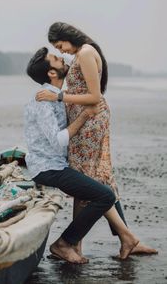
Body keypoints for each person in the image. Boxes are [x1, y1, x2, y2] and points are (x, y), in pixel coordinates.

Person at [36, 22, 157, 256]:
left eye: (60, 45)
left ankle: (73, 243)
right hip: (87, 122)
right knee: (100, 179)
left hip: (90, 123)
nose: (62, 51)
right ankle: (125, 239)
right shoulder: (81, 54)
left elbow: (94, 96)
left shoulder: (87, 52)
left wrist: (59, 97)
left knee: (86, 181)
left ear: (67, 37)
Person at [25, 47, 139, 264]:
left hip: (56, 165)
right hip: (48, 169)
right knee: (104, 195)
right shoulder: (43, 101)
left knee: (101, 183)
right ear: (51, 72)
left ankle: (125, 238)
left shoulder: (56, 96)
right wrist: (86, 114)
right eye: (57, 59)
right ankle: (63, 243)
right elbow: (58, 140)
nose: (64, 58)